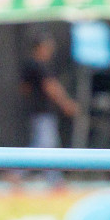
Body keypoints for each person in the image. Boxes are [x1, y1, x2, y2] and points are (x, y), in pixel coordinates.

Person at [19, 32, 77, 188]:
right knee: (46, 147)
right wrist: (65, 103)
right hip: (42, 112)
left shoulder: (31, 65)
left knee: (42, 145)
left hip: (38, 111)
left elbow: (25, 88)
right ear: (40, 47)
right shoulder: (38, 65)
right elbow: (50, 87)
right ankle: (52, 180)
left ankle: (19, 173)